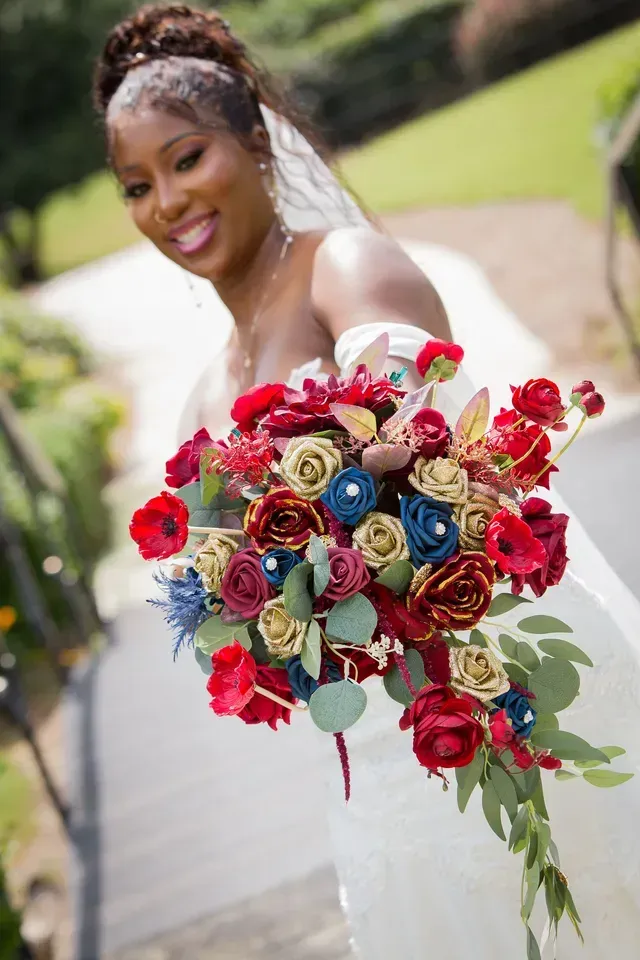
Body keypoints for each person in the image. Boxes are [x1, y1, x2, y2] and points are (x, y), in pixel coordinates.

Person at [95, 6, 640, 958]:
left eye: (187, 160)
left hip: (493, 696)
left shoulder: (341, 268)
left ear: (254, 143)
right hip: (378, 770)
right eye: (137, 186)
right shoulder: (198, 401)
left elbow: (423, 438)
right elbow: (237, 595)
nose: (167, 203)